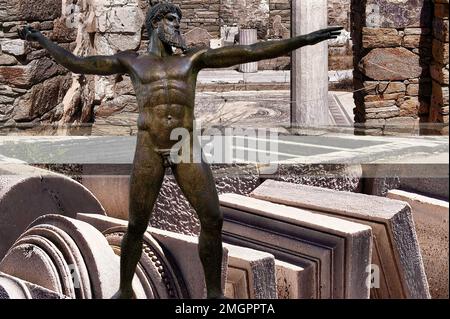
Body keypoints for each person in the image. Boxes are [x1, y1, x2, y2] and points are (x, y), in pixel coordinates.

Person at [19, 2, 342, 299]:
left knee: (212, 218)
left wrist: (305, 40)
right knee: (136, 225)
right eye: (173, 21)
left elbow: (250, 51)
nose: (178, 28)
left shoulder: (192, 59)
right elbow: (78, 62)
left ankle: (214, 294)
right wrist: (41, 40)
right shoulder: (132, 61)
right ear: (156, 24)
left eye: (179, 22)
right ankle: (126, 290)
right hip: (149, 147)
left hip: (184, 145)